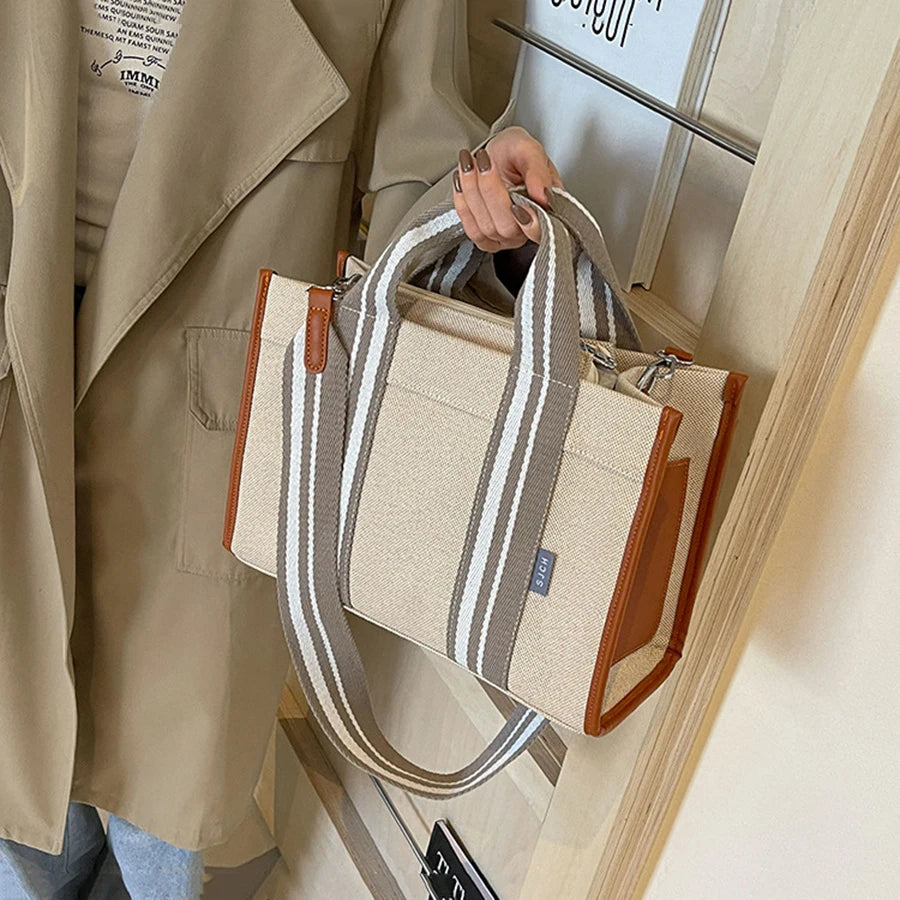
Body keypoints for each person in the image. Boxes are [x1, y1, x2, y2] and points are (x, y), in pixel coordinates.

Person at [0, 1, 562, 896]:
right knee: (18, 801)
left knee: (162, 817)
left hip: (204, 425)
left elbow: (422, 166)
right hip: (17, 364)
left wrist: (482, 202)